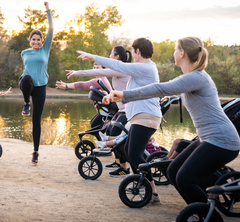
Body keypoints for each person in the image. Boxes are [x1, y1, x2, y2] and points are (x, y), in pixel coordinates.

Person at [107, 36, 240, 206]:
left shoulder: (196, 77)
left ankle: (205, 213)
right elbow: (163, 90)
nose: (174, 53)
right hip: (208, 139)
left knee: (184, 178)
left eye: (176, 50)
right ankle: (206, 202)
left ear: (182, 53)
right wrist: (125, 98)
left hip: (221, 140)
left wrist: (125, 94)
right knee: (173, 170)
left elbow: (161, 88)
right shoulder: (191, 77)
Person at [77, 37, 162, 203]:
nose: (133, 55)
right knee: (126, 148)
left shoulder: (145, 68)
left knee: (134, 153)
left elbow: (118, 65)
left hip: (146, 118)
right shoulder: (142, 70)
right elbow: (131, 95)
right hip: (141, 117)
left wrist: (93, 57)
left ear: (138, 51)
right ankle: (146, 186)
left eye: (134, 52)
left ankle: (151, 190)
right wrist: (111, 97)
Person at [65, 46, 132, 176]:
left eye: (111, 54)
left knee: (116, 134)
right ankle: (120, 164)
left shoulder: (120, 69)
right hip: (122, 109)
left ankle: (125, 166)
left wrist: (77, 72)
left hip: (129, 110)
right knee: (111, 131)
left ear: (116, 56)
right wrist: (109, 96)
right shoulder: (118, 69)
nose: (109, 56)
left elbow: (97, 74)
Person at [19, 1, 53, 164]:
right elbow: (27, 70)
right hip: (26, 84)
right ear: (30, 40)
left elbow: (51, 30)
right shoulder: (24, 52)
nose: (36, 42)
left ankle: (35, 151)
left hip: (40, 87)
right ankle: (26, 103)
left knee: (36, 120)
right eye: (34, 39)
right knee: (26, 78)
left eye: (38, 40)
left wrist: (48, 11)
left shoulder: (45, 49)